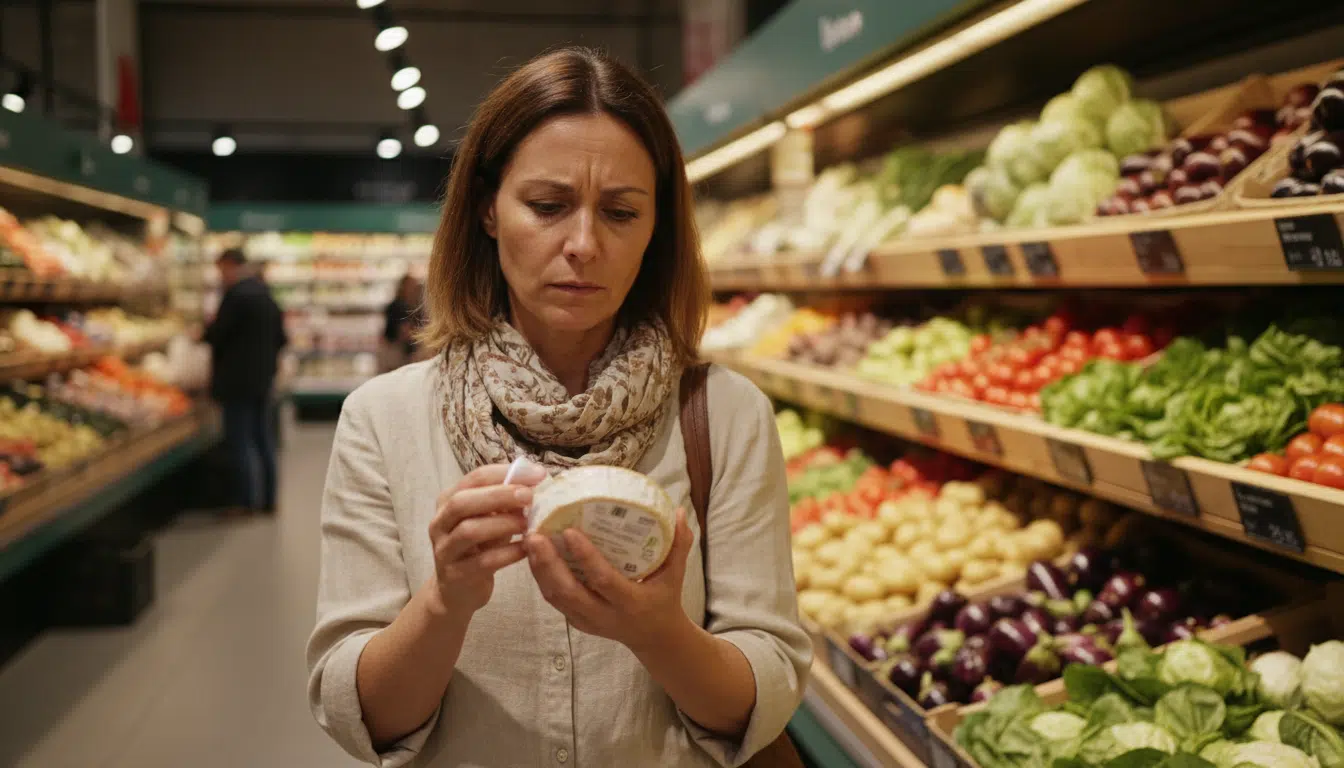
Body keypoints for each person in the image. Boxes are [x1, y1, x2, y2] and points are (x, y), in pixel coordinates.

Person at [306, 47, 810, 767]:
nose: (583, 245)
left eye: (621, 212)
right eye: (547, 206)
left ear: (657, 227)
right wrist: (445, 601)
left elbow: (769, 690)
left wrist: (660, 632)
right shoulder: (383, 420)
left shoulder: (724, 415)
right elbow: (359, 715)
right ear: (487, 208)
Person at [204, 247, 288, 515]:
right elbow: (282, 338)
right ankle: (269, 499)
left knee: (239, 440)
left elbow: (218, 335)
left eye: (221, 269)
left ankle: (244, 502)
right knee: (263, 438)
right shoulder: (265, 294)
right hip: (263, 379)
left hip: (236, 381)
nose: (220, 275)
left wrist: (205, 332)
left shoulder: (235, 296)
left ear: (230, 265)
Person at [378, 274, 424, 373]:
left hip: (392, 348)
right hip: (396, 350)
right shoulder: (402, 306)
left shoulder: (397, 304)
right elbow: (405, 332)